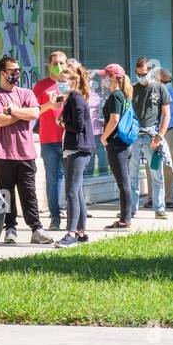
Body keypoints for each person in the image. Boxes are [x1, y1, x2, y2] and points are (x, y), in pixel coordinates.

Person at [0, 55, 53, 245]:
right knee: (5, 193)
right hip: (1, 152)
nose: (17, 74)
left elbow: (35, 112)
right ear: (2, 73)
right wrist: (21, 113)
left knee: (28, 192)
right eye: (12, 71)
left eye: (18, 70)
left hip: (25, 151)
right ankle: (10, 229)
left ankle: (36, 229)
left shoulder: (26, 93)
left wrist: (12, 111)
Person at [54, 63, 95, 247]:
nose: (60, 84)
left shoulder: (76, 99)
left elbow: (78, 127)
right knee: (77, 192)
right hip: (74, 148)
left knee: (70, 192)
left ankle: (70, 233)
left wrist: (62, 123)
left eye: (63, 81)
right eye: (59, 81)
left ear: (72, 82)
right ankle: (81, 232)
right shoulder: (70, 98)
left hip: (78, 149)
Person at [130, 57, 172, 219]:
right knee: (132, 175)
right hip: (134, 136)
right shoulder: (132, 89)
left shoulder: (160, 89)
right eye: (138, 74)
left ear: (150, 72)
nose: (142, 76)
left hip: (152, 136)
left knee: (156, 174)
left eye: (144, 73)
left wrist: (160, 136)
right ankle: (132, 209)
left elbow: (166, 114)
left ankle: (159, 208)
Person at [33, 49, 69, 232]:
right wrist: (49, 105)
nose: (59, 67)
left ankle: (73, 217)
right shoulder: (40, 87)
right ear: (49, 66)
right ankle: (55, 217)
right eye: (55, 64)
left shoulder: (71, 85)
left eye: (62, 63)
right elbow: (33, 111)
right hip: (48, 140)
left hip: (69, 140)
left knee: (71, 179)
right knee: (52, 179)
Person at [98, 64, 137, 229]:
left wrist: (104, 137)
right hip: (125, 144)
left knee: (123, 184)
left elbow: (114, 119)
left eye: (106, 76)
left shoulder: (116, 96)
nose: (104, 79)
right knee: (125, 183)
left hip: (116, 145)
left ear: (113, 77)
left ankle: (124, 220)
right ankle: (125, 218)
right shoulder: (124, 95)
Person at [158, 68, 173, 209]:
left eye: (169, 81)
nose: (166, 83)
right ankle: (151, 198)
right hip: (154, 133)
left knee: (170, 165)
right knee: (153, 166)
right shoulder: (152, 93)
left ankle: (169, 198)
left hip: (169, 132)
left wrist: (172, 127)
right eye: (164, 81)